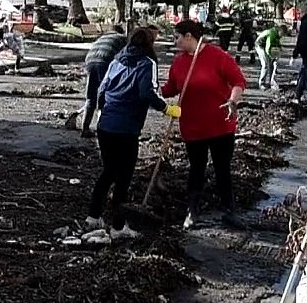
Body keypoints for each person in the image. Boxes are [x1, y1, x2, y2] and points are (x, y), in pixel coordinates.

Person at [87, 27, 180, 240]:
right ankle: (118, 227)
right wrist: (167, 109)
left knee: (108, 171)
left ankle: (93, 216)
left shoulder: (117, 60)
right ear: (149, 44)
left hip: (105, 125)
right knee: (124, 177)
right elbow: (147, 92)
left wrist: (103, 111)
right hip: (126, 128)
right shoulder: (147, 64)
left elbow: (102, 89)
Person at [161, 20, 248, 229]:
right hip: (192, 126)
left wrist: (233, 101)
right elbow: (170, 88)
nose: (175, 41)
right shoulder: (179, 62)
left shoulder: (218, 56)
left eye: (177, 37)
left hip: (220, 124)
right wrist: (150, 89)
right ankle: (192, 211)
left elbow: (238, 81)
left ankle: (229, 211)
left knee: (222, 169)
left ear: (189, 36)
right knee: (196, 169)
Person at [65, 25, 127, 138]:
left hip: (90, 61)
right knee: (105, 96)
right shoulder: (122, 38)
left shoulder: (102, 38)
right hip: (106, 61)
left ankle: (85, 128)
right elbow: (126, 57)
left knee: (91, 96)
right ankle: (103, 129)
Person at [254, 23, 281, 90]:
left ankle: (270, 82)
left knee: (271, 64)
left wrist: (278, 53)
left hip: (264, 46)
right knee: (265, 64)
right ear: (280, 31)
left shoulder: (277, 34)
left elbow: (277, 44)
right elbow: (268, 47)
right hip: (260, 46)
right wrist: (271, 56)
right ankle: (261, 83)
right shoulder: (272, 34)